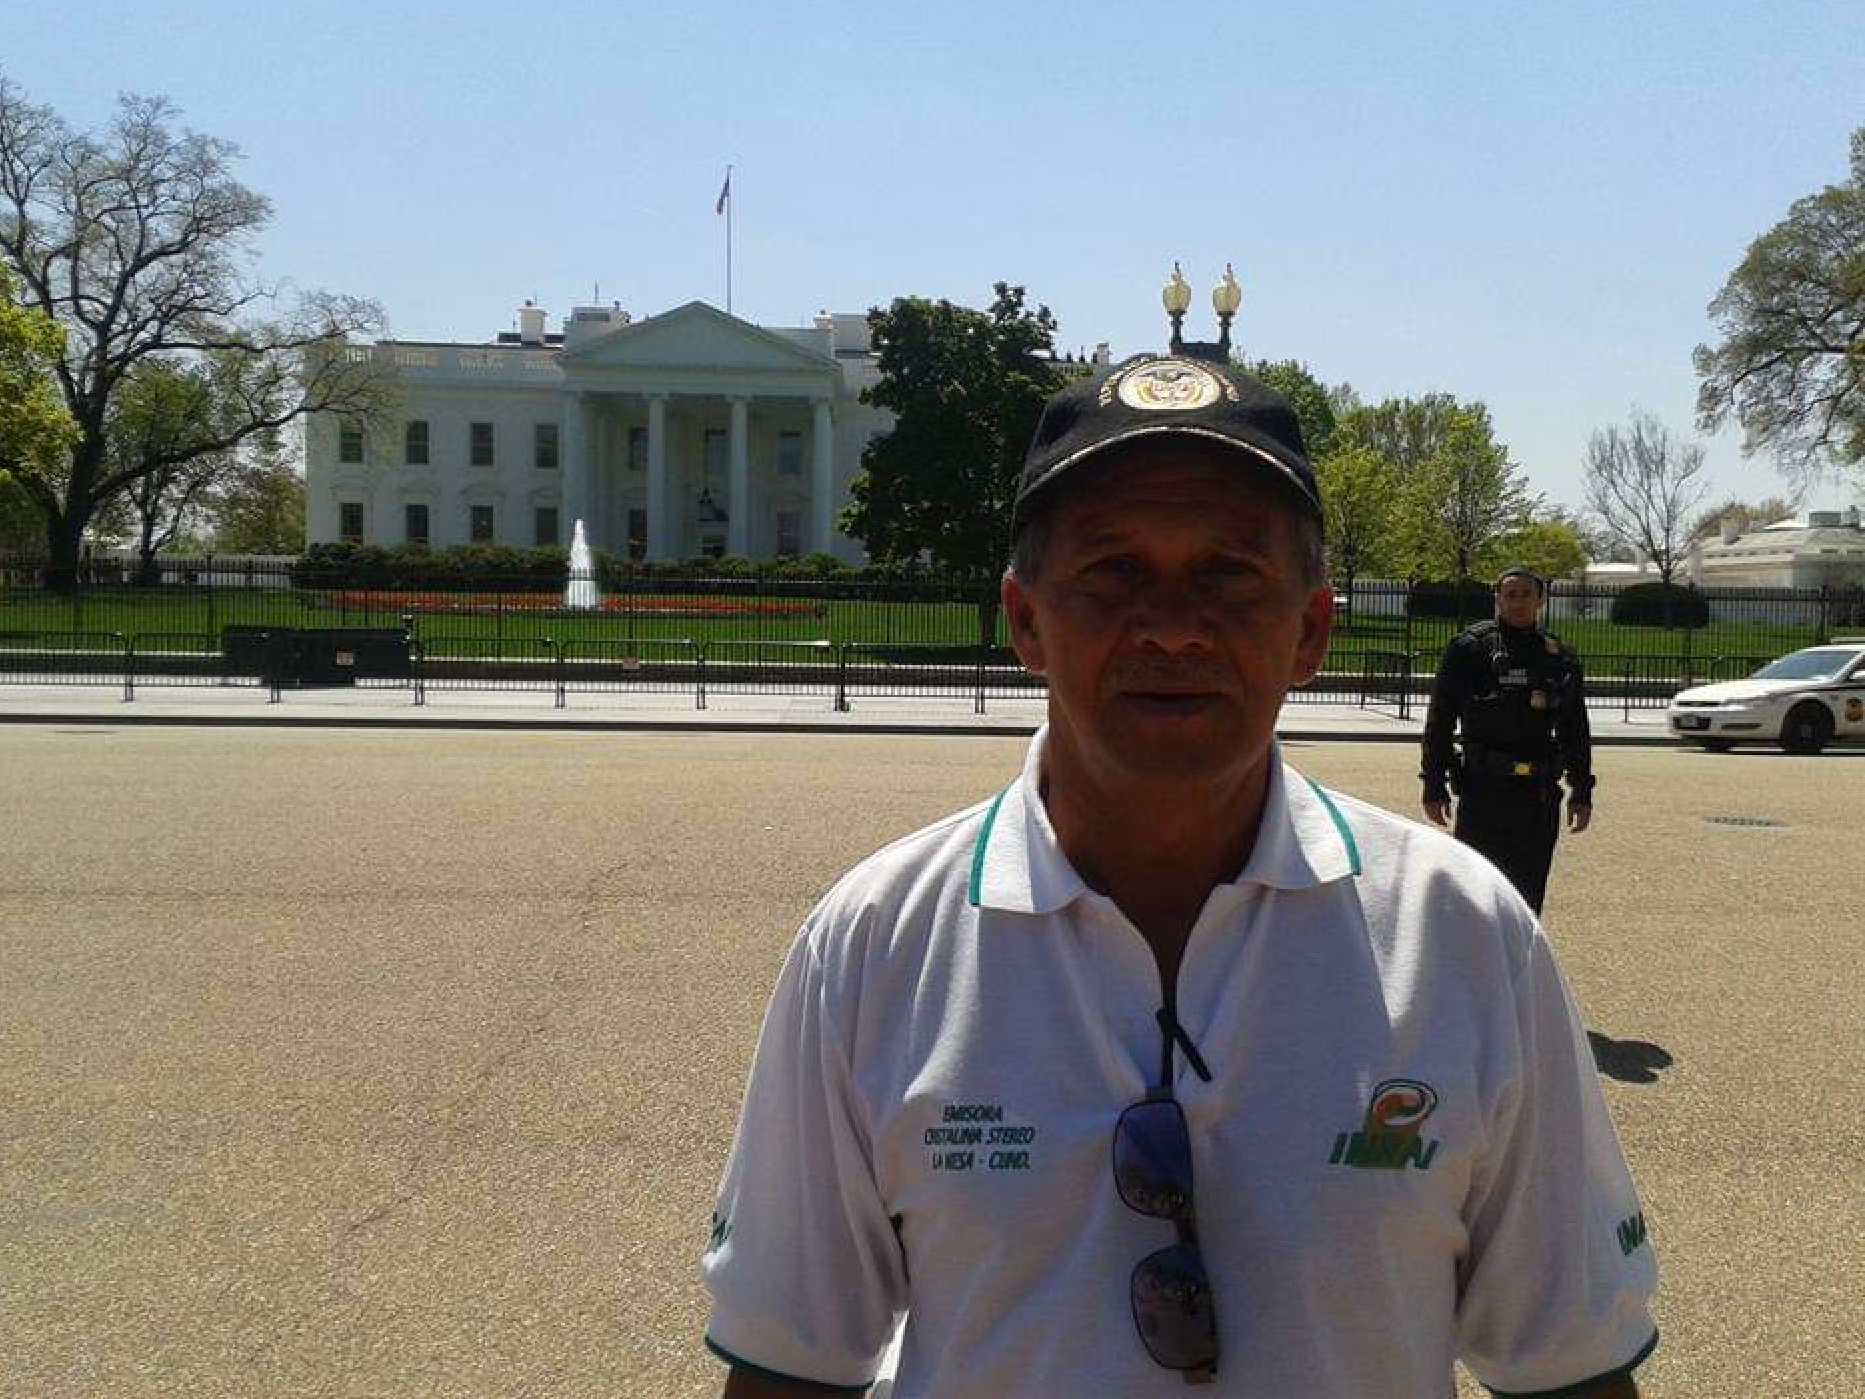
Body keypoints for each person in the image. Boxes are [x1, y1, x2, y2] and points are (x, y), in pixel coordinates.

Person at [703, 355, 1656, 1396]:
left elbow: (1570, 1365)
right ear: (1026, 621)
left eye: (1229, 574)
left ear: (1310, 630)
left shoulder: (1463, 935)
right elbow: (789, 1366)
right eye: (1112, 569)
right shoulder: (874, 943)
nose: (1171, 624)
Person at [1420, 569, 1595, 913]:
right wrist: (1433, 784)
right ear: (1497, 599)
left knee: (1527, 899)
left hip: (1538, 794)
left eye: (1526, 594)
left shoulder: (1558, 657)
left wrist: (1582, 790)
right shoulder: (1470, 650)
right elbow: (1440, 721)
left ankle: (1521, 950)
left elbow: (1575, 728)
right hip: (1484, 789)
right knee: (1475, 895)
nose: (1518, 602)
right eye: (1510, 594)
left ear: (1541, 601)